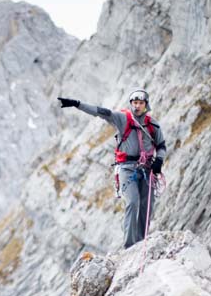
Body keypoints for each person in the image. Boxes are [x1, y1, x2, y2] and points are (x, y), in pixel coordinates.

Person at [58, 90, 167, 249]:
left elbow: (161, 146)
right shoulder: (122, 118)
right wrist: (77, 104)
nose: (137, 106)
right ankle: (130, 246)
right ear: (131, 104)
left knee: (146, 205)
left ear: (146, 105)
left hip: (148, 168)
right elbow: (101, 112)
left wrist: (159, 160)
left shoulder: (153, 124)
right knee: (133, 201)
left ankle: (141, 242)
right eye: (134, 103)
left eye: (140, 103)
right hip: (127, 169)